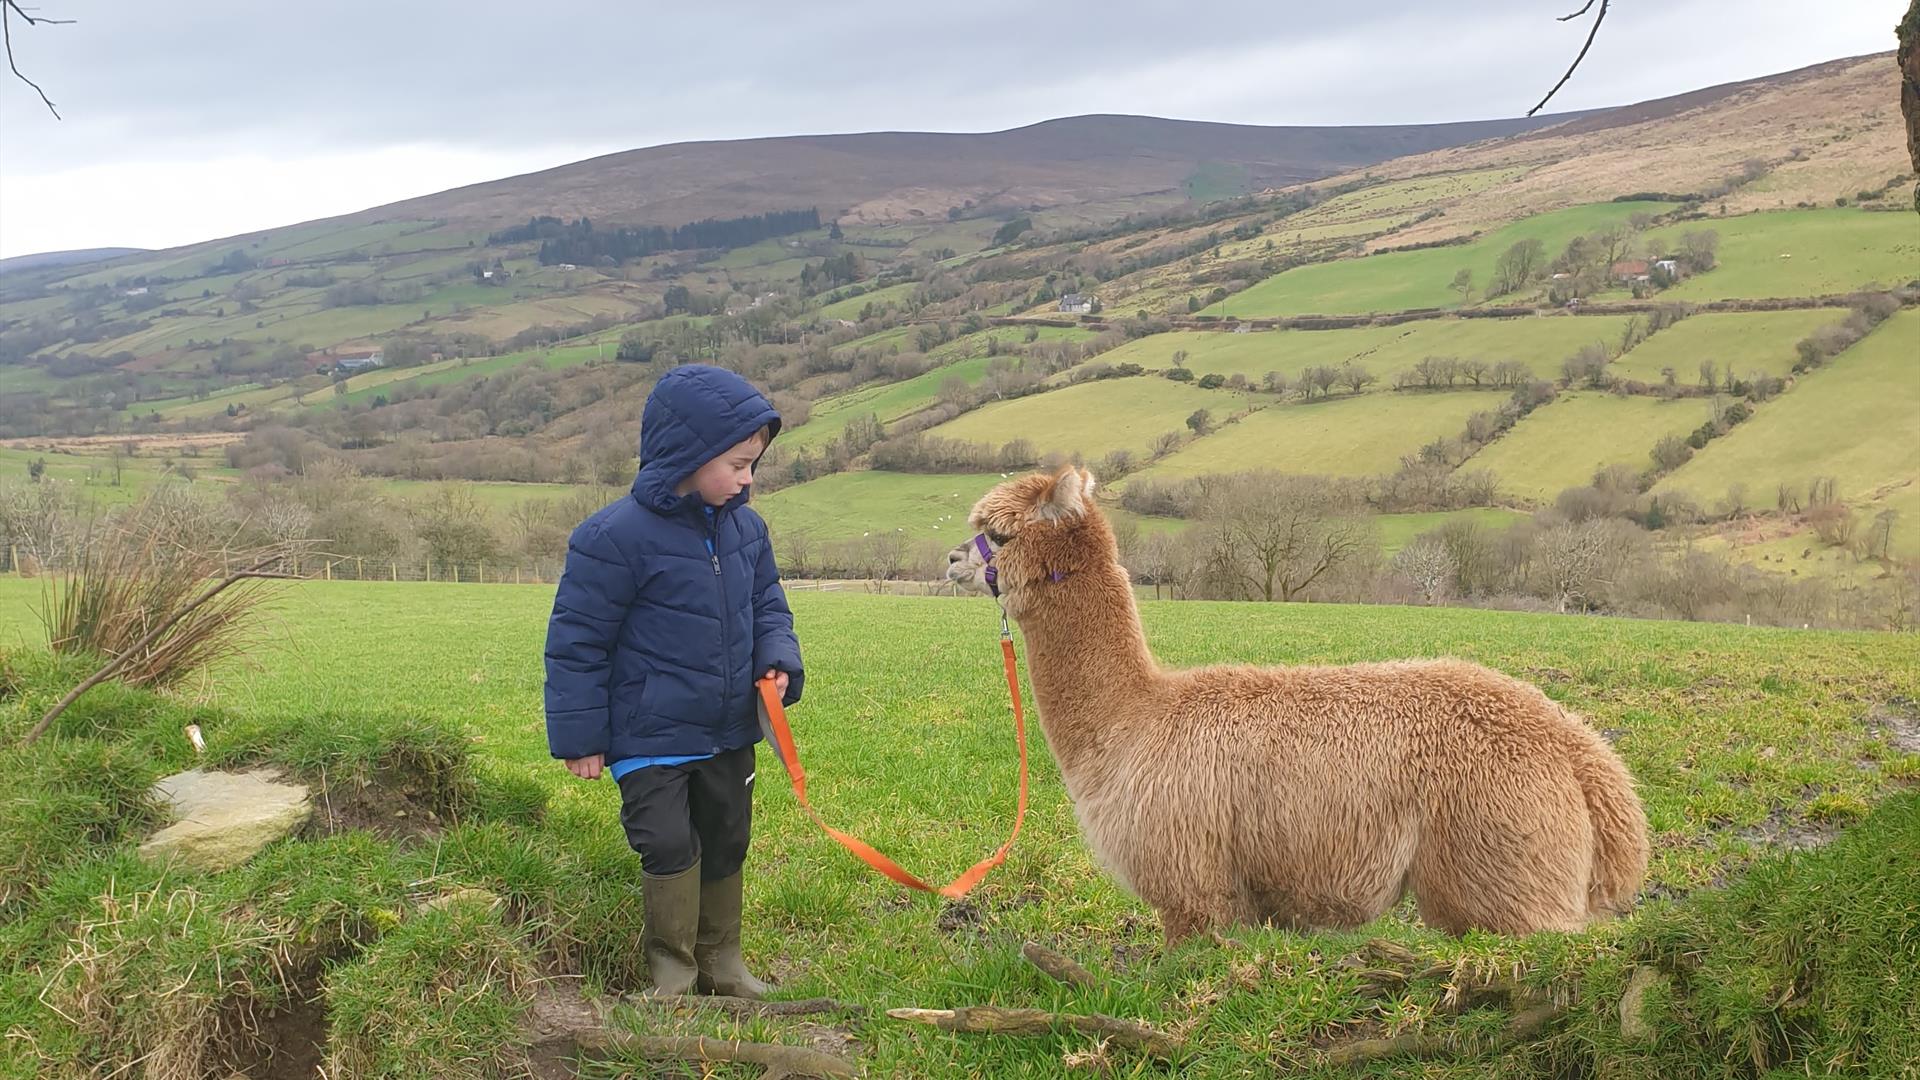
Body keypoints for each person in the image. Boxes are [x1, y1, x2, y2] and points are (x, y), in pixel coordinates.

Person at [543, 363, 803, 999]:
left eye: (754, 466)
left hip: (727, 730)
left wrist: (777, 658)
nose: (748, 479)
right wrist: (581, 736)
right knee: (666, 842)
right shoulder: (611, 539)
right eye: (738, 464)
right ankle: (674, 975)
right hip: (649, 734)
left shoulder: (748, 530)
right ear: (688, 454)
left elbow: (768, 603)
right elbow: (577, 642)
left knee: (727, 838)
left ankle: (724, 966)